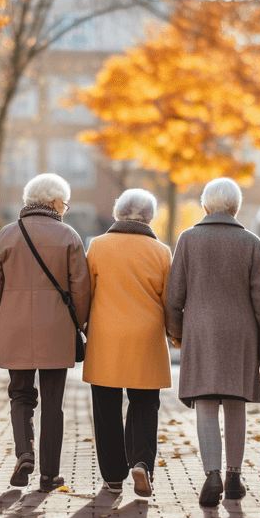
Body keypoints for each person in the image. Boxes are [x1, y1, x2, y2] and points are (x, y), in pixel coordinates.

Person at [166, 177, 260, 507]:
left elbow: (174, 297)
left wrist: (179, 334)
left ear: (205, 206)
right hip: (241, 334)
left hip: (200, 332)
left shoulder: (188, 239)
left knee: (205, 405)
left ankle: (211, 474)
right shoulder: (251, 242)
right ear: (236, 208)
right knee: (235, 403)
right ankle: (233, 477)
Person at [0, 173, 91, 492]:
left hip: (14, 328)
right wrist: (80, 323)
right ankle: (49, 475)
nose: (66, 208)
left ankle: (25, 453)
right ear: (55, 201)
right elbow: (81, 289)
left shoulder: (7, 235)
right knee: (53, 402)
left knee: (20, 395)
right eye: (65, 203)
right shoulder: (68, 236)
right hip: (56, 330)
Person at [82, 189, 172, 497]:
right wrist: (175, 333)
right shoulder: (161, 252)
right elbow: (169, 300)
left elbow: (85, 292)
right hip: (146, 338)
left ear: (118, 212)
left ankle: (113, 477)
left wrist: (82, 324)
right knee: (145, 403)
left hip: (106, 336)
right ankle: (142, 463)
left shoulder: (97, 246)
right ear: (150, 217)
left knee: (106, 406)